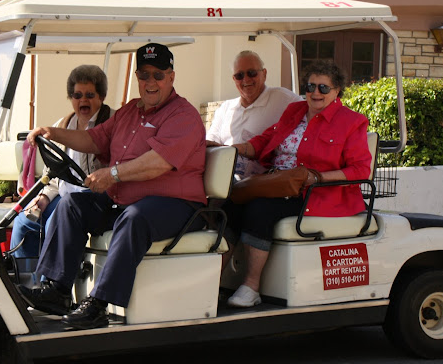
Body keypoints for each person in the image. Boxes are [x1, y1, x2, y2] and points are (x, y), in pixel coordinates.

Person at [20, 43, 207, 329]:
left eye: (158, 75)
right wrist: (53, 132)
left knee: (134, 218)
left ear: (171, 77)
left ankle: (99, 304)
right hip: (128, 202)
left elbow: (159, 163)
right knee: (71, 203)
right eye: (144, 75)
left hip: (178, 206)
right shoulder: (131, 110)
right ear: (137, 77)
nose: (150, 82)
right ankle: (57, 290)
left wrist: (113, 174)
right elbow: (94, 140)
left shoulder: (183, 116)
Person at [226, 60, 372, 308]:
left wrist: (318, 178)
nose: (315, 93)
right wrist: (230, 149)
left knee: (259, 210)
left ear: (337, 91)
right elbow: (265, 141)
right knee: (227, 205)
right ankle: (217, 279)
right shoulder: (294, 111)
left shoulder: (351, 122)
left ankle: (251, 286)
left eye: (323, 88)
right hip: (277, 184)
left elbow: (360, 169)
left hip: (316, 194)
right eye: (310, 86)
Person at [10, 64, 113, 258]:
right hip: (63, 197)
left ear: (101, 97)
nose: (83, 100)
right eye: (77, 95)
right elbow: (56, 174)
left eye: (90, 95)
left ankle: (46, 283)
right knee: (23, 221)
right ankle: (24, 280)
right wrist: (44, 198)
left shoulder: (113, 122)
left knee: (54, 224)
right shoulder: (63, 125)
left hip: (94, 201)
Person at [206, 50, 301, 180]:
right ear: (234, 79)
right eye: (239, 75)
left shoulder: (284, 99)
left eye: (252, 73)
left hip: (262, 182)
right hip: (223, 178)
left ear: (264, 74)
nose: (246, 79)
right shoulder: (225, 108)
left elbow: (314, 112)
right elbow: (211, 143)